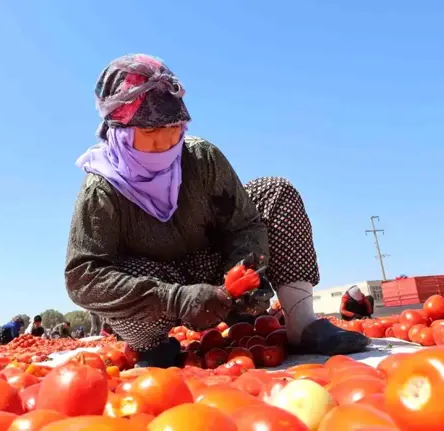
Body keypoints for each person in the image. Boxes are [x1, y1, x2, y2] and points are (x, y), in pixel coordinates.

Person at [65, 53, 370, 367]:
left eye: (174, 130)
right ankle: (152, 347)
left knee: (276, 192)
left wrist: (244, 273)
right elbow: (82, 276)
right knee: (114, 282)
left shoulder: (201, 158)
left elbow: (245, 224)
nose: (166, 145)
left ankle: (301, 325)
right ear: (120, 130)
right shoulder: (101, 191)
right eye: (151, 136)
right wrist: (175, 298)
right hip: (157, 289)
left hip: (216, 270)